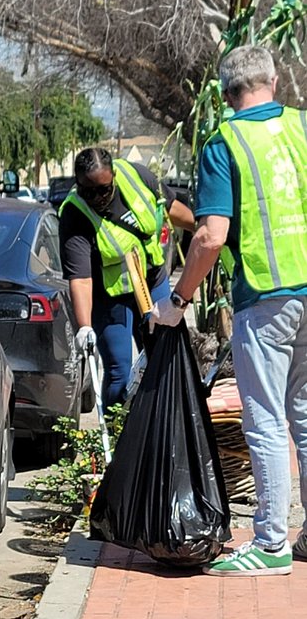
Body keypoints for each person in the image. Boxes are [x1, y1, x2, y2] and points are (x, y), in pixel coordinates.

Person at [152, 45, 307, 576]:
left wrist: (177, 300)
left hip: (267, 297)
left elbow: (211, 237)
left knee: (264, 419)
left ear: (223, 94)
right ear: (274, 80)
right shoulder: (302, 128)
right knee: (306, 417)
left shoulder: (225, 143)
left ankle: (270, 544)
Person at [59, 147, 195, 409]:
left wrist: (203, 228)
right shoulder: (75, 214)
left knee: (163, 358)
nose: (97, 197)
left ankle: (160, 425)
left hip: (152, 282)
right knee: (120, 373)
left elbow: (170, 207)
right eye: (88, 191)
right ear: (78, 184)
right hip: (111, 300)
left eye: (103, 189)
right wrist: (84, 325)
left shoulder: (137, 176)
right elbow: (81, 278)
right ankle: (119, 431)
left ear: (114, 177)